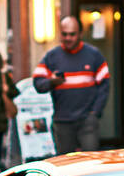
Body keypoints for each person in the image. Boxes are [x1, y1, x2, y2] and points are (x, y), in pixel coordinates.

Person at [33, 16, 109, 154]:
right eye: (64, 34)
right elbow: (38, 84)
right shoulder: (52, 56)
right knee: (65, 163)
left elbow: (104, 85)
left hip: (87, 120)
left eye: (72, 34)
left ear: (80, 34)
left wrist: (95, 112)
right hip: (62, 121)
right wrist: (52, 82)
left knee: (90, 161)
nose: (68, 38)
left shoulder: (94, 55)